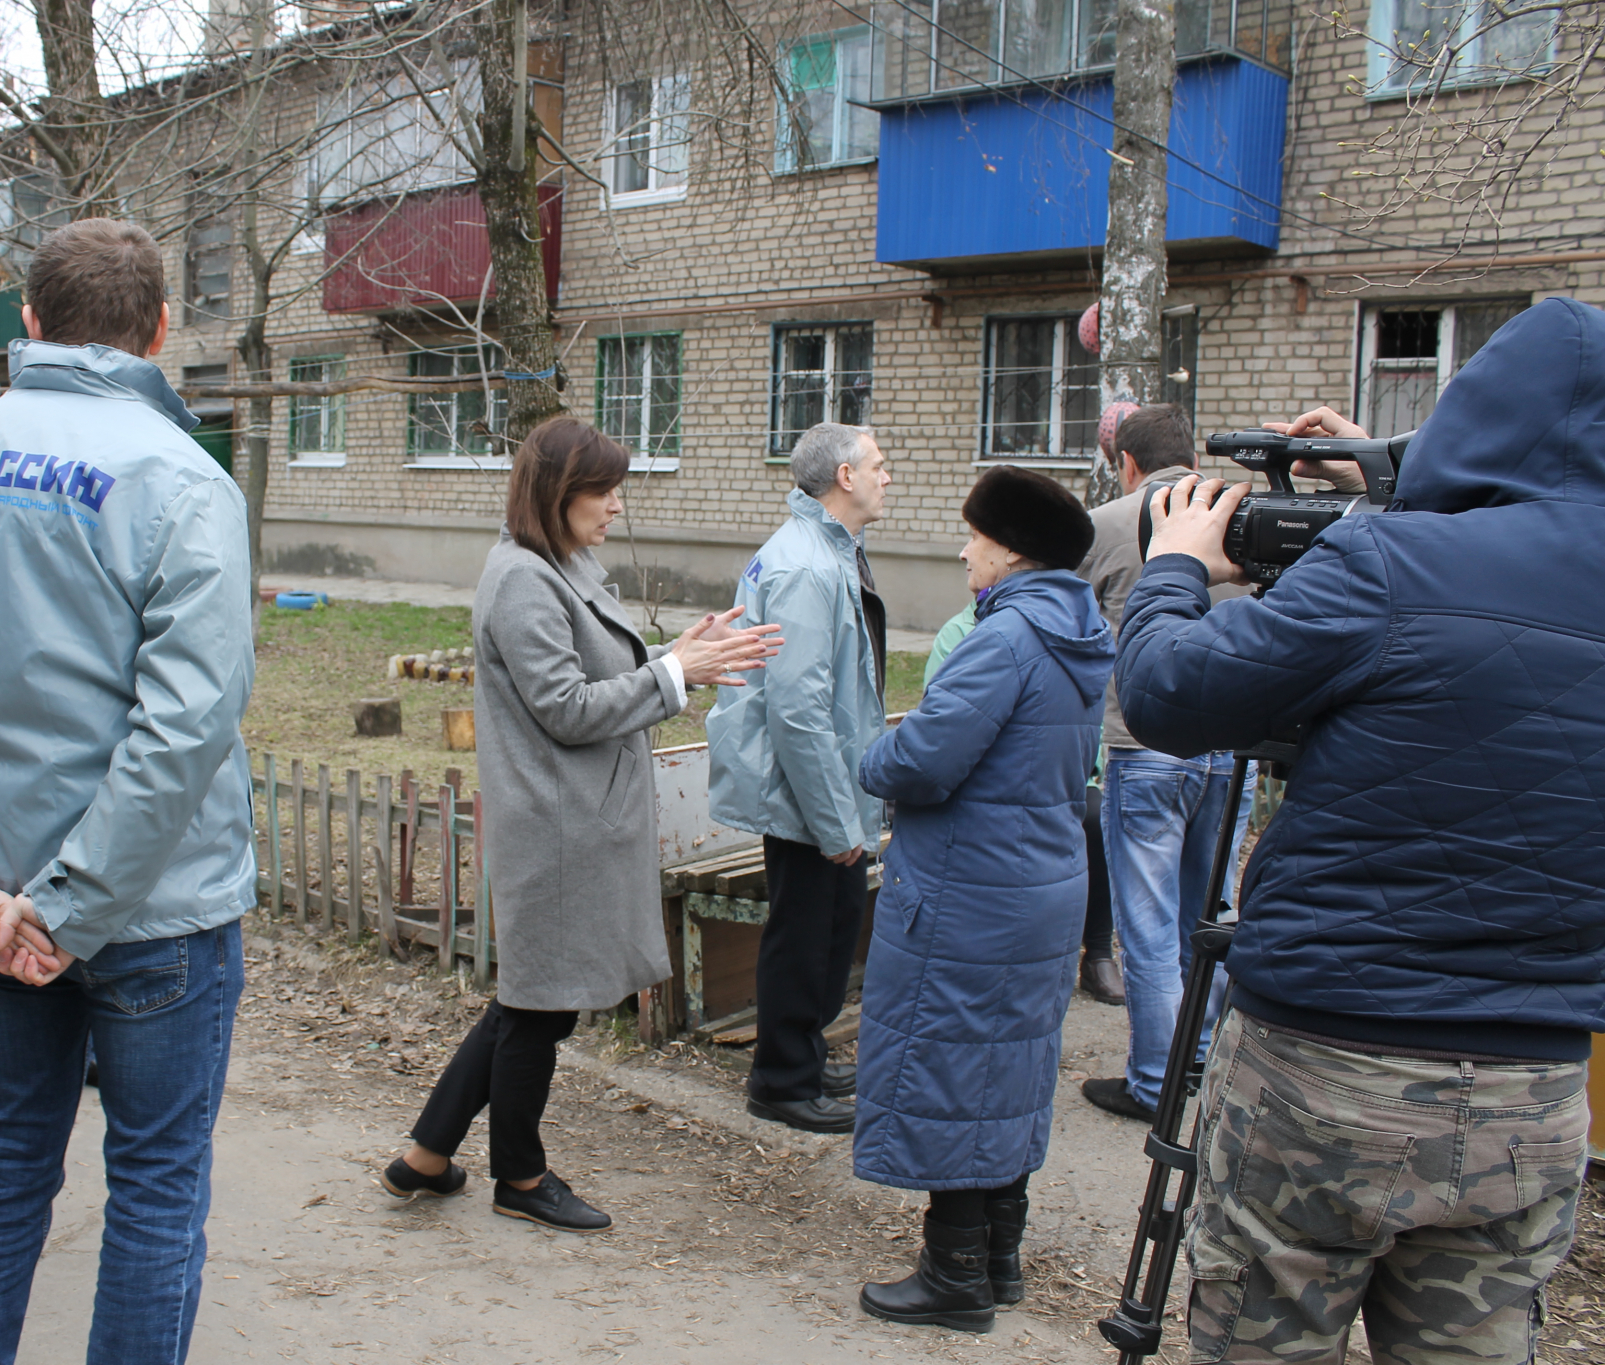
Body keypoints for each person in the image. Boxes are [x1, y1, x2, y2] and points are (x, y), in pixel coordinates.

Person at [1116, 297, 1605, 1363]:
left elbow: (1166, 695)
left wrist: (1176, 569)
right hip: (1533, 1091)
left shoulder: (1389, 567)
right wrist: (1397, 486)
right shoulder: (1408, 552)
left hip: (1324, 1066)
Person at [0, 218, 254, 1365]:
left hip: (4, 903)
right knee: (158, 1187)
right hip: (152, 912)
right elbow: (184, 724)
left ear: (29, 323)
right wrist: (69, 910)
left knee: (8, 1153)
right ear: (159, 332)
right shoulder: (183, 477)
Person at [381, 417, 779, 1232]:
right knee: (540, 1007)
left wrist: (678, 651)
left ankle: (426, 1154)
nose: (616, 504)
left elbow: (595, 672)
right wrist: (673, 672)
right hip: (557, 827)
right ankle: (520, 1177)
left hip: (572, 819)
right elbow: (565, 708)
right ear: (558, 494)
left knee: (527, 998)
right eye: (603, 490)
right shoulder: (523, 577)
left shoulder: (558, 563)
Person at [852, 466, 1112, 1335]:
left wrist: (873, 757)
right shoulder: (1078, 633)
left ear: (1008, 550)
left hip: (973, 890)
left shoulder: (1004, 642)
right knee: (1010, 1069)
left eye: (973, 536)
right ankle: (1000, 1258)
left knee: (953, 1068)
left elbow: (924, 760)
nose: (964, 550)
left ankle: (953, 1273)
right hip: (1038, 884)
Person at [704, 421, 890, 1135]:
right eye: (877, 464)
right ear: (844, 477)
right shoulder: (808, 565)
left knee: (831, 927)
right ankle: (781, 1080)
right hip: (810, 788)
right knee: (806, 933)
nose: (887, 475)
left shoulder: (828, 549)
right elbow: (799, 708)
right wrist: (837, 820)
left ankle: (803, 1059)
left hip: (825, 783)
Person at [1075, 405, 1245, 1121]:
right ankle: (1204, 1061)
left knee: (1144, 925)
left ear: (1128, 463)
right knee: (1209, 916)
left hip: (1144, 749)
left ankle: (1155, 1081)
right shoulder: (1238, 516)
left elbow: (1071, 622)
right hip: (1231, 748)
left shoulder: (1111, 522)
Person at [924, 593, 1119, 1006]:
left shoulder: (1072, 635)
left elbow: (1088, 723)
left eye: (977, 540)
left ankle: (1098, 951)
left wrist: (1084, 769)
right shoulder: (959, 633)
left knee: (1096, 818)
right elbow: (938, 721)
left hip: (1058, 774)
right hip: (991, 777)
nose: (964, 555)